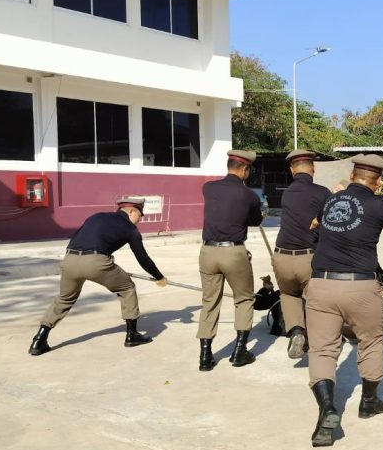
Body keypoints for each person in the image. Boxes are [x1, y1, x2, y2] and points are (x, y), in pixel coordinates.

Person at [305, 154, 383, 447]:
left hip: (322, 283)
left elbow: (314, 229)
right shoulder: (379, 204)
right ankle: (369, 403)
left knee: (322, 350)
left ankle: (327, 408)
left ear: (352, 174)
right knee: (370, 342)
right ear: (378, 181)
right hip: (360, 286)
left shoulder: (331, 201)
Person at [28, 197, 167, 355]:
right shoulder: (130, 228)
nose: (140, 220)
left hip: (70, 259)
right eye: (140, 215)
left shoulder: (96, 216)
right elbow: (142, 258)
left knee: (64, 299)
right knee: (127, 288)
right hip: (96, 262)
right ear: (132, 211)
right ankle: (132, 335)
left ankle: (39, 340)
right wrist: (159, 277)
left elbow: (78, 237)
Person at [197, 149, 263, 371]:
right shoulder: (249, 196)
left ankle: (205, 355)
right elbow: (255, 221)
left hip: (208, 252)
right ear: (244, 169)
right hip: (233, 252)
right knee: (244, 299)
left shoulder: (208, 188)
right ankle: (239, 351)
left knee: (210, 301)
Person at [272, 149, 332, 359]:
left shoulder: (287, 193)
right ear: (313, 169)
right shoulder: (323, 193)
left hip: (281, 256)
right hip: (308, 257)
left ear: (292, 170)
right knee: (314, 302)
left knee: (289, 295)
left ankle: (297, 332)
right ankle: (315, 343)